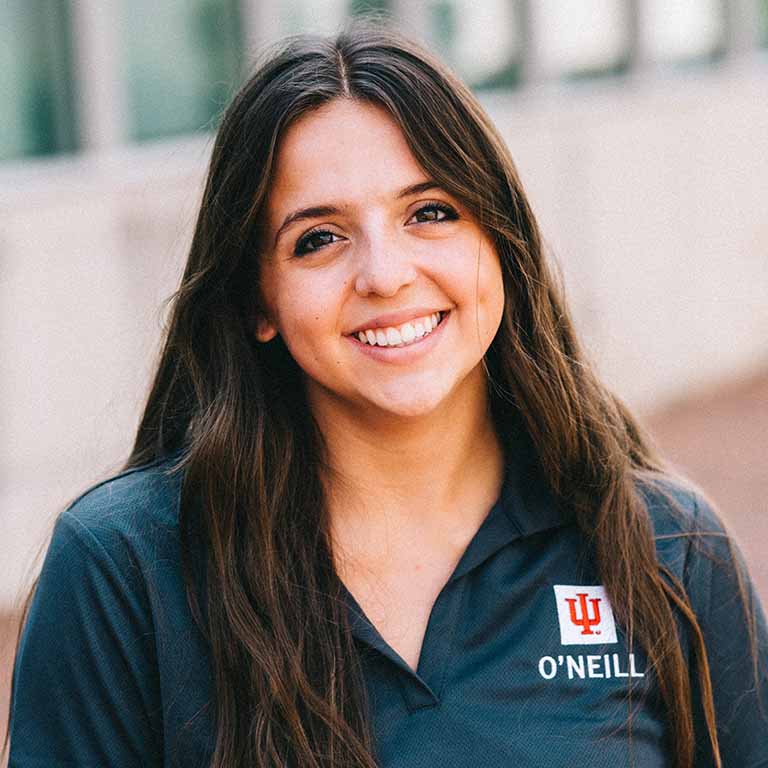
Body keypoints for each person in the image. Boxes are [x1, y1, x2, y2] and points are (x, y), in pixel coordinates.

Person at [5, 20, 767, 768]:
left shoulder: (666, 547)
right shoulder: (126, 570)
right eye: (319, 238)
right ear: (257, 301)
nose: (385, 274)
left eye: (430, 213)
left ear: (501, 243)